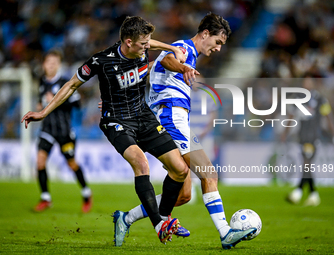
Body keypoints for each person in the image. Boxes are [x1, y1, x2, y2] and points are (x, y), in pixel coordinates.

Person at [22, 16, 190, 244]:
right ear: (128, 42)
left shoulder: (143, 48)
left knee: (180, 169)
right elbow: (72, 84)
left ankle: (149, 217)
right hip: (117, 121)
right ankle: (159, 224)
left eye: (148, 42)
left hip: (144, 116)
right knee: (141, 164)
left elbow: (153, 44)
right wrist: (44, 112)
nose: (147, 46)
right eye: (143, 43)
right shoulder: (101, 61)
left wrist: (171, 47)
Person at [113, 13, 256, 250]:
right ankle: (225, 232)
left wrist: (120, 96)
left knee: (183, 195)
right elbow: (168, 59)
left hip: (173, 120)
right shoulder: (184, 48)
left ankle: (125, 218)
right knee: (209, 174)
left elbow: (153, 65)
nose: (218, 49)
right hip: (171, 118)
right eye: (218, 42)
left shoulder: (188, 55)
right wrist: (183, 67)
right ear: (205, 34)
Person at [33, 49, 92, 213]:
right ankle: (45, 197)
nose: (51, 65)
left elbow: (77, 104)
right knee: (39, 161)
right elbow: (41, 101)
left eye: (54, 63)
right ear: (44, 64)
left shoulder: (66, 82)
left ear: (58, 65)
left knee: (72, 164)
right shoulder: (42, 82)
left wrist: (56, 100)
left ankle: (86, 192)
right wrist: (40, 105)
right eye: (48, 62)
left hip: (64, 132)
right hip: (47, 130)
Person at [282, 74, 334, 206]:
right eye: (305, 82)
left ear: (313, 83)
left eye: (309, 82)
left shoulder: (320, 99)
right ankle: (312, 194)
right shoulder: (297, 98)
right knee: (306, 164)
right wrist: (285, 132)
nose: (306, 84)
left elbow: (329, 118)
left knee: (306, 163)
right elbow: (291, 117)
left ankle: (299, 192)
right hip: (302, 136)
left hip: (313, 137)